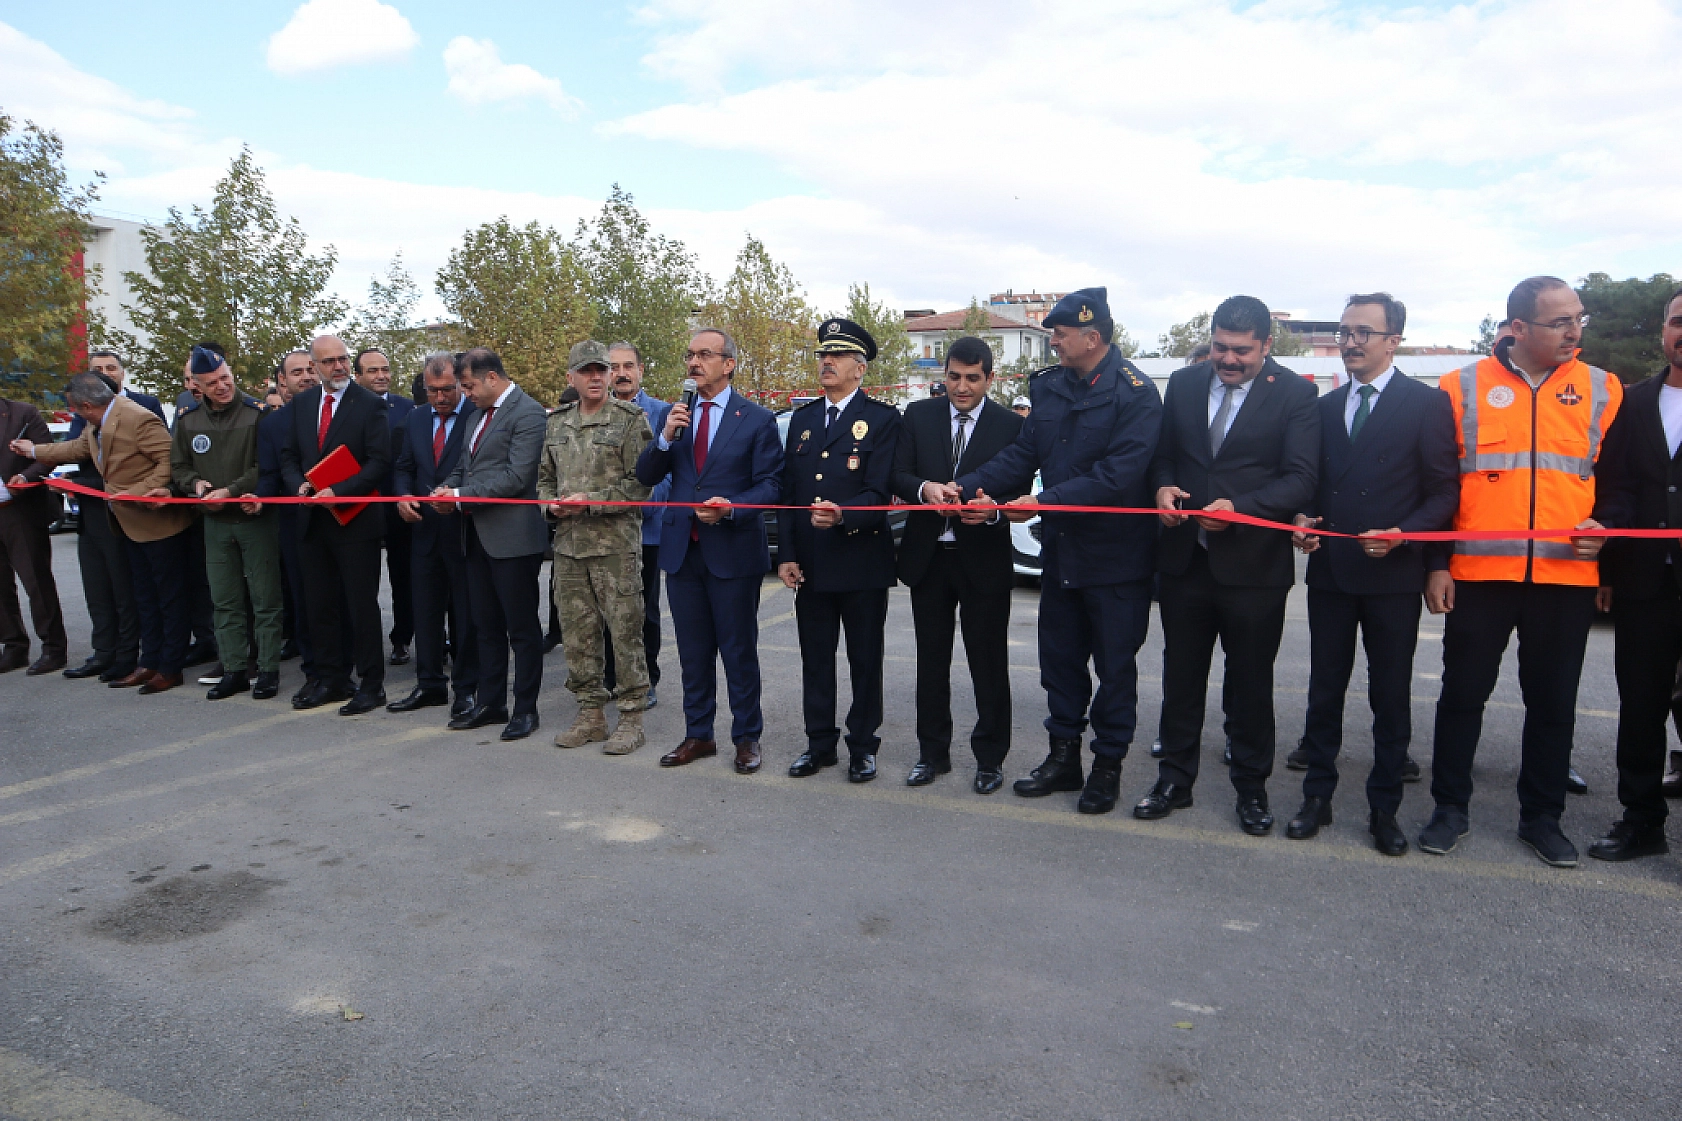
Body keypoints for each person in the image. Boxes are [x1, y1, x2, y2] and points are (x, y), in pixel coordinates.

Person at [1422, 276, 1621, 868]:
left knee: (1554, 702)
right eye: (1560, 322)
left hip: (1565, 579)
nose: (1574, 331)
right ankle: (1449, 809)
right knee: (1462, 695)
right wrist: (1436, 564)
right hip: (1479, 575)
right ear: (1517, 328)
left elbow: (1620, 483)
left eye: (1577, 318)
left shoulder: (1603, 389)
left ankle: (1542, 818)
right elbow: (1437, 485)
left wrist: (1606, 531)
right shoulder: (1459, 388)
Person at [955, 288, 1163, 814]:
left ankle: (1107, 768)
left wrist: (1043, 502)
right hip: (1065, 557)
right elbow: (1024, 453)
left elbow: (1117, 478)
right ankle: (1063, 759)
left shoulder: (1135, 394)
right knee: (1061, 665)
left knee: (1114, 670)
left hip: (1116, 562)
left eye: (1061, 333)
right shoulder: (1048, 389)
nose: (1053, 340)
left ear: (1092, 338)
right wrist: (966, 486)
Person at [1286, 294, 1459, 854]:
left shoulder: (1426, 405)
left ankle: (1385, 808)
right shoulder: (1324, 406)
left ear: (1394, 340)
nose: (1351, 342)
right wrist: (1303, 521)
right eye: (1345, 331)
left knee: (1390, 695)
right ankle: (1317, 797)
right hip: (1332, 575)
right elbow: (1311, 485)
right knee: (1324, 691)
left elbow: (1443, 494)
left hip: (1392, 578)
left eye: (1363, 331)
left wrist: (1404, 534)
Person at [1144, 294, 1320, 835]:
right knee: (1181, 676)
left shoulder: (1296, 394)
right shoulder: (1186, 383)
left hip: (1253, 570)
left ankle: (1251, 789)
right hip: (1185, 562)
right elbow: (1165, 452)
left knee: (1249, 685)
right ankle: (1174, 780)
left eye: (1241, 351)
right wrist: (1163, 487)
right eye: (1220, 346)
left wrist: (1240, 509)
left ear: (1267, 345)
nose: (1228, 359)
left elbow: (1301, 477)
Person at [634, 328, 783, 774]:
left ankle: (746, 738)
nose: (694, 363)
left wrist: (732, 508)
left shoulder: (755, 419)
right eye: (690, 355)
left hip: (733, 552)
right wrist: (664, 438)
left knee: (738, 652)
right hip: (682, 551)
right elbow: (646, 474)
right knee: (692, 652)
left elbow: (772, 486)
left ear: (729, 363)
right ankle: (698, 735)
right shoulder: (676, 415)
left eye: (705, 355)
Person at [892, 336, 1023, 793]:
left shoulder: (1010, 425)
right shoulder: (919, 415)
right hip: (928, 559)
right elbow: (898, 474)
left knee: (988, 663)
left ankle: (990, 758)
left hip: (983, 557)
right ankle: (932, 754)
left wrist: (995, 507)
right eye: (953, 377)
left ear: (990, 377)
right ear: (942, 375)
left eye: (972, 378)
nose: (961, 387)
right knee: (931, 662)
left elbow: (1018, 483)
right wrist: (925, 488)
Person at [1580, 284, 1682, 861]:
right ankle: (1642, 820)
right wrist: (1607, 568)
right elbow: (1614, 489)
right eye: (1678, 320)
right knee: (1640, 707)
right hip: (1645, 586)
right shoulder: (1635, 403)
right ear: (1664, 329)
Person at [777, 319, 902, 784]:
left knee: (864, 661)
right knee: (816, 658)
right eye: (822, 355)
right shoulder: (805, 420)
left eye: (838, 356)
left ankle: (863, 746)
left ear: (860, 368)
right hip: (811, 562)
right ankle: (819, 744)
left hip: (861, 560)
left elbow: (880, 491)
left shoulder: (884, 419)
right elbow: (790, 492)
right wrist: (786, 555)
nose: (826, 363)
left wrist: (844, 514)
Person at [13, 374, 194, 693]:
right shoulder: (98, 423)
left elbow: (169, 461)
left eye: (72, 408)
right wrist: (34, 452)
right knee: (145, 599)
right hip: (130, 525)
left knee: (169, 600)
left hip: (158, 524)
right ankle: (149, 662)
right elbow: (76, 448)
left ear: (85, 405)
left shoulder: (137, 418)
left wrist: (131, 493)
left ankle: (170, 667)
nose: (72, 414)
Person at [540, 340, 655, 753]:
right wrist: (549, 506)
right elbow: (544, 479)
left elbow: (641, 483)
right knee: (577, 634)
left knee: (625, 634)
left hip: (615, 549)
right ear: (571, 377)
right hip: (569, 547)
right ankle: (590, 715)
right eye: (586, 371)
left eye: (601, 371)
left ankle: (631, 717)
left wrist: (589, 502)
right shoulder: (557, 423)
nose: (595, 378)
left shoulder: (629, 420)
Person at [432, 347, 549, 742]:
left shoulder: (528, 413)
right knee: (485, 625)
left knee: (521, 628)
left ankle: (525, 709)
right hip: (476, 536)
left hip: (513, 539)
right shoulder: (477, 416)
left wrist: (461, 495)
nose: (465, 394)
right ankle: (492, 701)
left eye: (468, 386)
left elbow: (517, 477)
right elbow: (467, 467)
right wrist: (447, 488)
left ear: (492, 378)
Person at [279, 334, 393, 715]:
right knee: (320, 604)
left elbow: (379, 462)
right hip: (313, 521)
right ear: (315, 367)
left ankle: (371, 684)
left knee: (361, 607)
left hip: (355, 521)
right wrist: (298, 482)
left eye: (343, 359)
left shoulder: (370, 405)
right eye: (329, 362)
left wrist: (338, 491)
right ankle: (331, 679)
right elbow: (289, 454)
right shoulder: (303, 404)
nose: (339, 367)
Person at [171, 346, 285, 700]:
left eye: (225, 378)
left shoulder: (258, 414)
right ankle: (234, 668)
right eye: (212, 383)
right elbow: (179, 466)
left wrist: (232, 491)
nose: (222, 386)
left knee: (265, 598)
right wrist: (197, 485)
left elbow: (265, 466)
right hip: (215, 523)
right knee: (225, 599)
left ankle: (267, 669)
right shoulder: (189, 419)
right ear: (197, 387)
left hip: (254, 520)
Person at [61, 353, 164, 681]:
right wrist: (33, 453)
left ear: (121, 373)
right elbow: (73, 450)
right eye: (97, 370)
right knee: (98, 591)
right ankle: (103, 652)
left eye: (110, 368)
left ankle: (127, 655)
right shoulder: (85, 417)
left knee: (127, 592)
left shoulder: (144, 408)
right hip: (92, 515)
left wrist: (80, 485)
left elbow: (162, 461)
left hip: (130, 513)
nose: (104, 374)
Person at [387, 353, 479, 719]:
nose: (440, 398)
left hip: (463, 530)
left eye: (446, 390)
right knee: (425, 609)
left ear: (459, 385)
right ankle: (429, 684)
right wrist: (403, 495)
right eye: (432, 391)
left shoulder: (476, 416)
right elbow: (403, 467)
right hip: (423, 531)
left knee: (464, 613)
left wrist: (457, 500)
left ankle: (466, 689)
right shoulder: (415, 418)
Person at [603, 342, 672, 708]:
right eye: (613, 367)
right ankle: (611, 677)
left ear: (641, 370)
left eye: (628, 365)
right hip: (602, 532)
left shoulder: (662, 413)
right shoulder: (598, 412)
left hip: (646, 531)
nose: (621, 373)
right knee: (605, 610)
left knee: (642, 611)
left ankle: (646, 678)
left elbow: (667, 474)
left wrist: (637, 503)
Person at [355, 348, 416, 666]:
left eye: (385, 369)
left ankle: (402, 638)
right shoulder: (349, 409)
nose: (381, 375)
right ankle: (362, 645)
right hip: (359, 509)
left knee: (403, 576)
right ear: (358, 377)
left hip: (397, 508)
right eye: (373, 370)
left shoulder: (408, 409)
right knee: (361, 581)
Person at [0, 393, 67, 675]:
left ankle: (53, 647)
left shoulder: (22, 413)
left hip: (20, 510)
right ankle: (14, 646)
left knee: (36, 581)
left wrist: (26, 477)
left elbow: (46, 455)